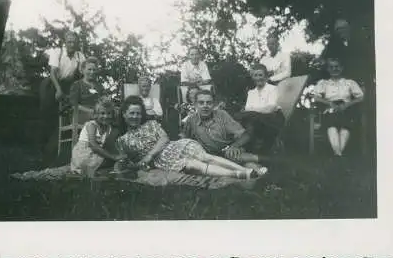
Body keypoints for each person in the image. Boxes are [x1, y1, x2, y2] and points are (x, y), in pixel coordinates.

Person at [116, 96, 259, 180]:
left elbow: (164, 139)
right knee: (193, 165)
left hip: (174, 147)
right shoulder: (122, 140)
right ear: (124, 114)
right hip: (163, 162)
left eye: (138, 113)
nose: (135, 117)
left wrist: (148, 156)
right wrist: (138, 164)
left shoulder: (150, 124)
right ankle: (237, 174)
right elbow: (126, 161)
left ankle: (246, 171)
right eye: (132, 113)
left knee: (205, 157)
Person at [181, 90, 268, 175]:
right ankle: (256, 168)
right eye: (201, 103)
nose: (205, 106)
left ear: (214, 104)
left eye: (209, 103)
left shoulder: (221, 115)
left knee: (246, 164)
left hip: (230, 152)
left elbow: (245, 135)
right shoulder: (191, 120)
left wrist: (235, 146)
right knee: (247, 178)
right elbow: (185, 139)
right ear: (195, 104)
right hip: (211, 158)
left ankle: (266, 163)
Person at [39, 31, 86, 148]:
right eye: (69, 42)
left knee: (65, 115)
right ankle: (43, 143)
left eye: (74, 42)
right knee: (48, 111)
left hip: (68, 85)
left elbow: (83, 75)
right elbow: (53, 73)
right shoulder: (58, 52)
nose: (72, 45)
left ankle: (59, 145)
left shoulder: (80, 56)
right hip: (53, 83)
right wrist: (58, 90)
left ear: (77, 44)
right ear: (65, 43)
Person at [312, 58, 364, 157]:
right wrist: (329, 103)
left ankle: (337, 155)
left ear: (341, 68)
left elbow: (361, 97)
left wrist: (347, 104)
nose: (334, 69)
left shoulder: (349, 82)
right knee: (331, 124)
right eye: (331, 67)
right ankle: (339, 155)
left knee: (345, 125)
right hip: (330, 108)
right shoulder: (324, 83)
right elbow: (316, 97)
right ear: (328, 69)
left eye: (337, 67)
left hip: (347, 109)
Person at [234, 64, 285, 154]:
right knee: (245, 118)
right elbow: (248, 110)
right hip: (257, 121)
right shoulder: (251, 92)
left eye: (260, 75)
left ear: (265, 76)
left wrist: (252, 110)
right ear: (252, 77)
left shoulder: (272, 89)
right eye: (255, 75)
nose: (258, 78)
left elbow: (270, 108)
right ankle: (246, 149)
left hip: (273, 119)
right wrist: (255, 111)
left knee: (248, 116)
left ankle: (238, 147)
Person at [71, 99, 124, 177]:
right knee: (112, 160)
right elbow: (93, 145)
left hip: (94, 155)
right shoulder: (91, 125)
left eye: (109, 113)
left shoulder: (108, 128)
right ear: (95, 115)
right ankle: (88, 170)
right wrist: (114, 157)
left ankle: (101, 170)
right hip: (83, 154)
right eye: (102, 113)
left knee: (118, 159)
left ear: (112, 115)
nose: (105, 116)